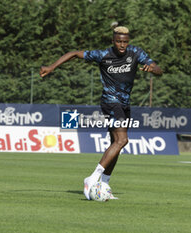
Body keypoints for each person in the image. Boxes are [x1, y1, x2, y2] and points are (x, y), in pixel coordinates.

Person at [40, 26, 163, 200]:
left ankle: (104, 183)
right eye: (119, 41)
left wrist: (152, 69)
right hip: (110, 102)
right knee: (122, 140)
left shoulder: (135, 52)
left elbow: (158, 69)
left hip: (125, 104)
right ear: (113, 41)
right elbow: (75, 53)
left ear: (129, 42)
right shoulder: (103, 55)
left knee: (116, 144)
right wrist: (52, 67)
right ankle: (92, 178)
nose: (122, 45)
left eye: (125, 42)